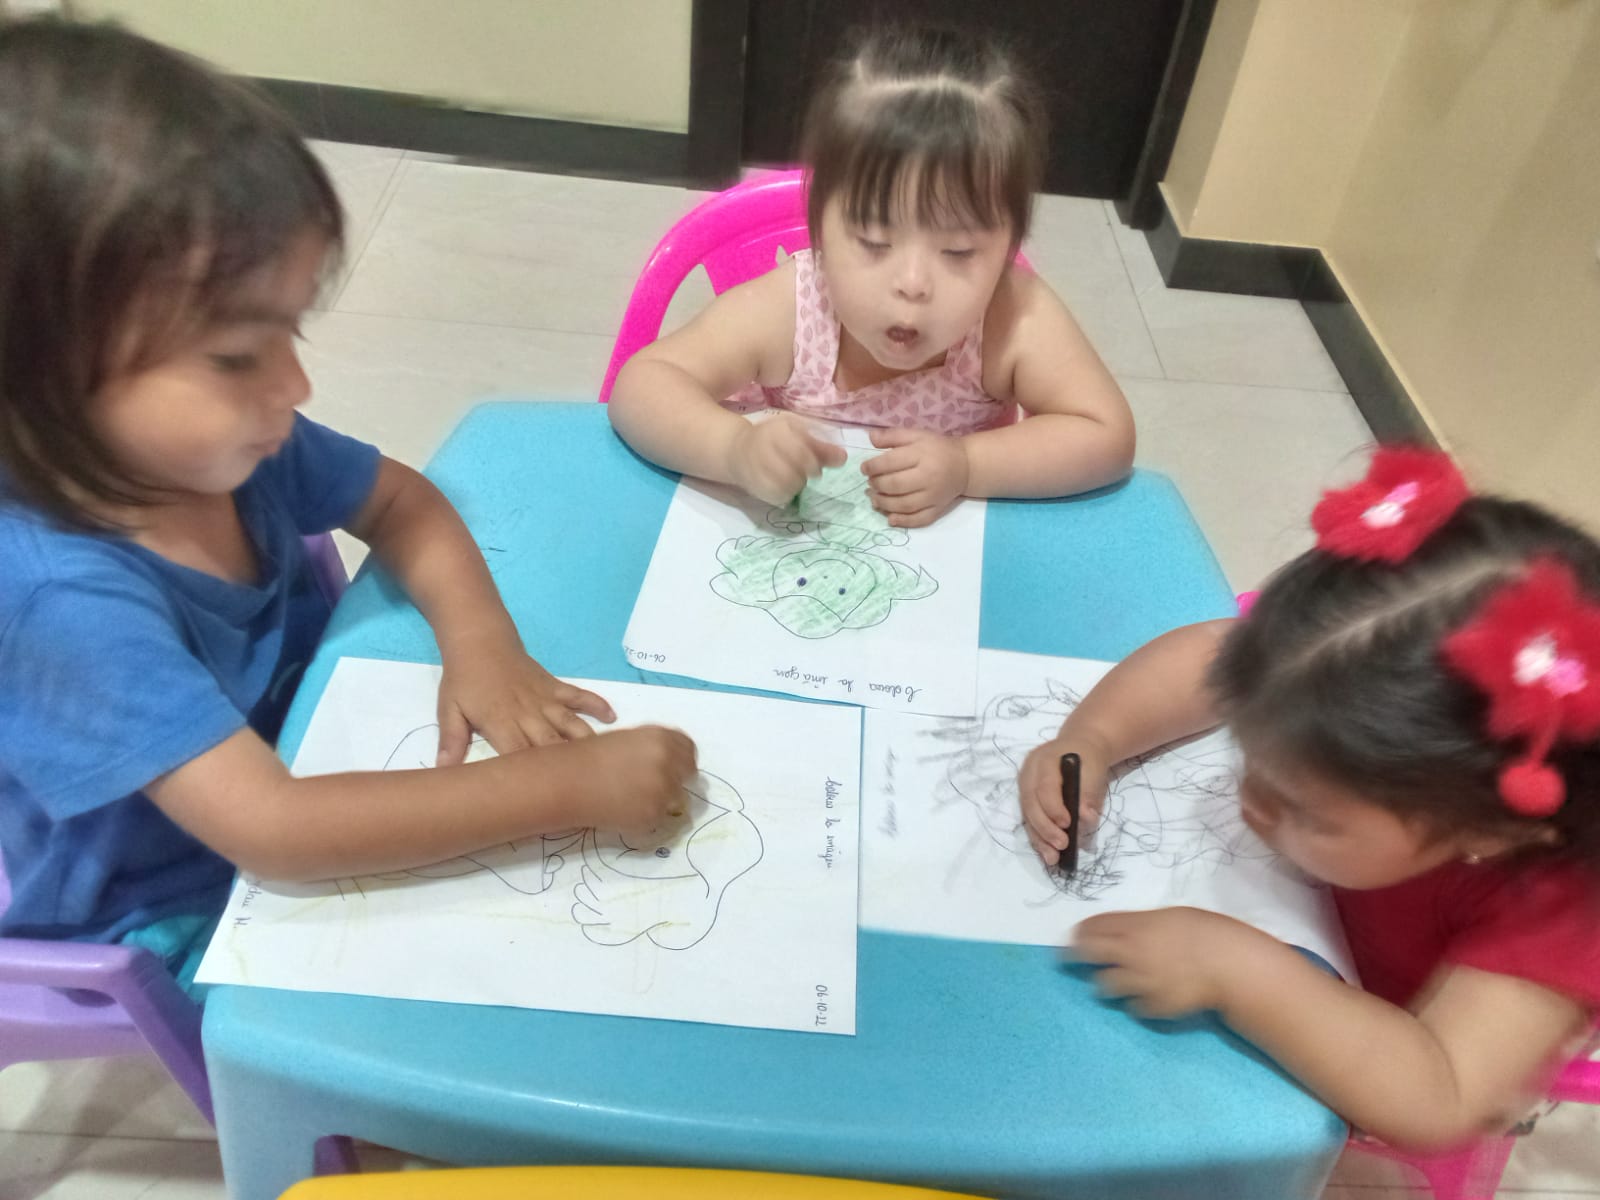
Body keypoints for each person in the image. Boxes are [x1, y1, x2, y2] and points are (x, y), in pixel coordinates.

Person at [0, 18, 696, 982]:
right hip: (169, 899)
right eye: (236, 356)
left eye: (288, 334)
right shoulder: (63, 604)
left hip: (312, 747)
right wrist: (565, 787)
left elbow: (403, 502)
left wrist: (482, 644)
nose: (293, 386)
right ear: (42, 373)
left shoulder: (217, 449)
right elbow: (274, 832)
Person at [1018, 445, 1600, 1150]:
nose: (1250, 803)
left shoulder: (1558, 910)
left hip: (1402, 1044)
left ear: (1490, 829)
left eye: (1306, 810)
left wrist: (1236, 971)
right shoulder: (1336, 672)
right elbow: (1205, 657)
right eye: (1251, 756)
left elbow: (1440, 1097)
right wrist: (1094, 738)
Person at [608, 25, 1134, 529]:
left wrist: (969, 465)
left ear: (1008, 247)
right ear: (820, 227)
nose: (913, 282)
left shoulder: (1012, 317)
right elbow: (641, 386)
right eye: (875, 242)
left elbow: (1106, 436)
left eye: (958, 251)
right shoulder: (793, 310)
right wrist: (733, 449)